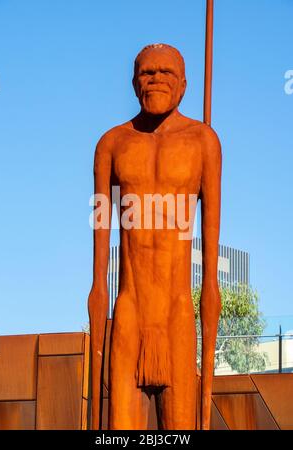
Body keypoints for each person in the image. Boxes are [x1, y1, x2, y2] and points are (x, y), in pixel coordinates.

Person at [88, 43, 222, 430]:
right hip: (129, 311)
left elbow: (211, 273)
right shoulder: (112, 144)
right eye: (148, 73)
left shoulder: (203, 143)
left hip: (177, 313)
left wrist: (207, 326)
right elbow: (100, 243)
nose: (156, 79)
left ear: (183, 85)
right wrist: (99, 311)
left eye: (165, 72)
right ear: (134, 83)